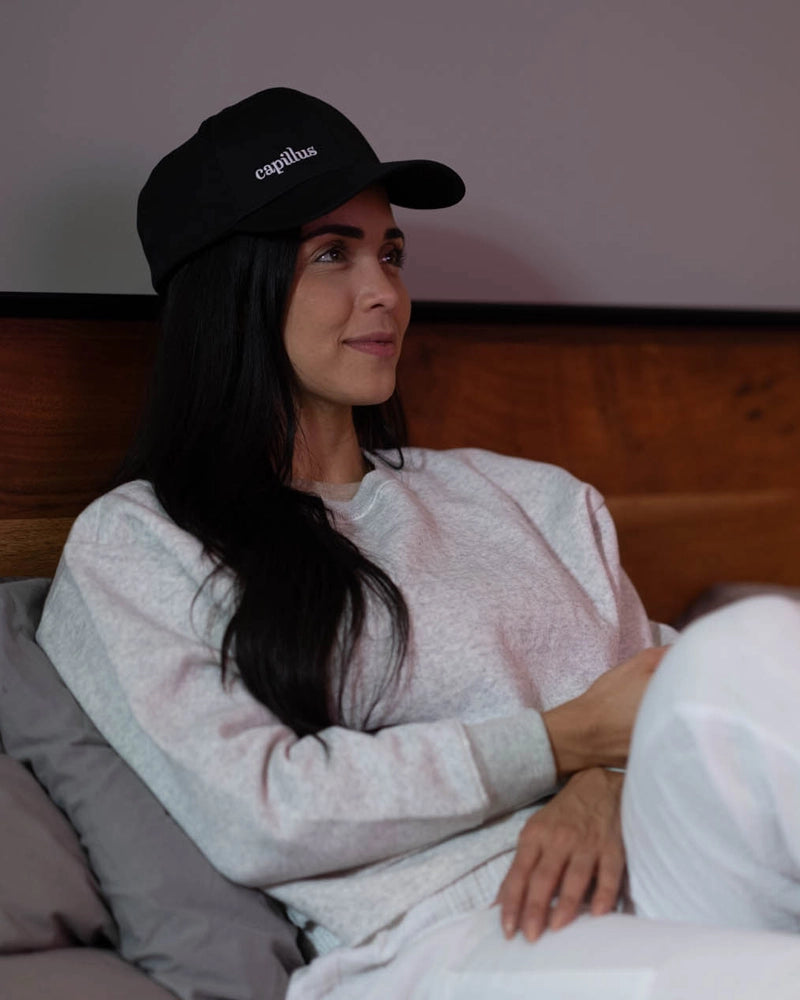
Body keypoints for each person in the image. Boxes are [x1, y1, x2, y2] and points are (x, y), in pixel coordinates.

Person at [36, 87, 800, 999]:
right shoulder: (140, 543)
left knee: (748, 640)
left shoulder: (530, 497)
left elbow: (664, 700)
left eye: (391, 253)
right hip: (448, 937)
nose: (385, 291)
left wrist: (600, 781)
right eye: (332, 255)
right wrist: (554, 745)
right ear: (228, 290)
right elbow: (260, 809)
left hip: (662, 856)